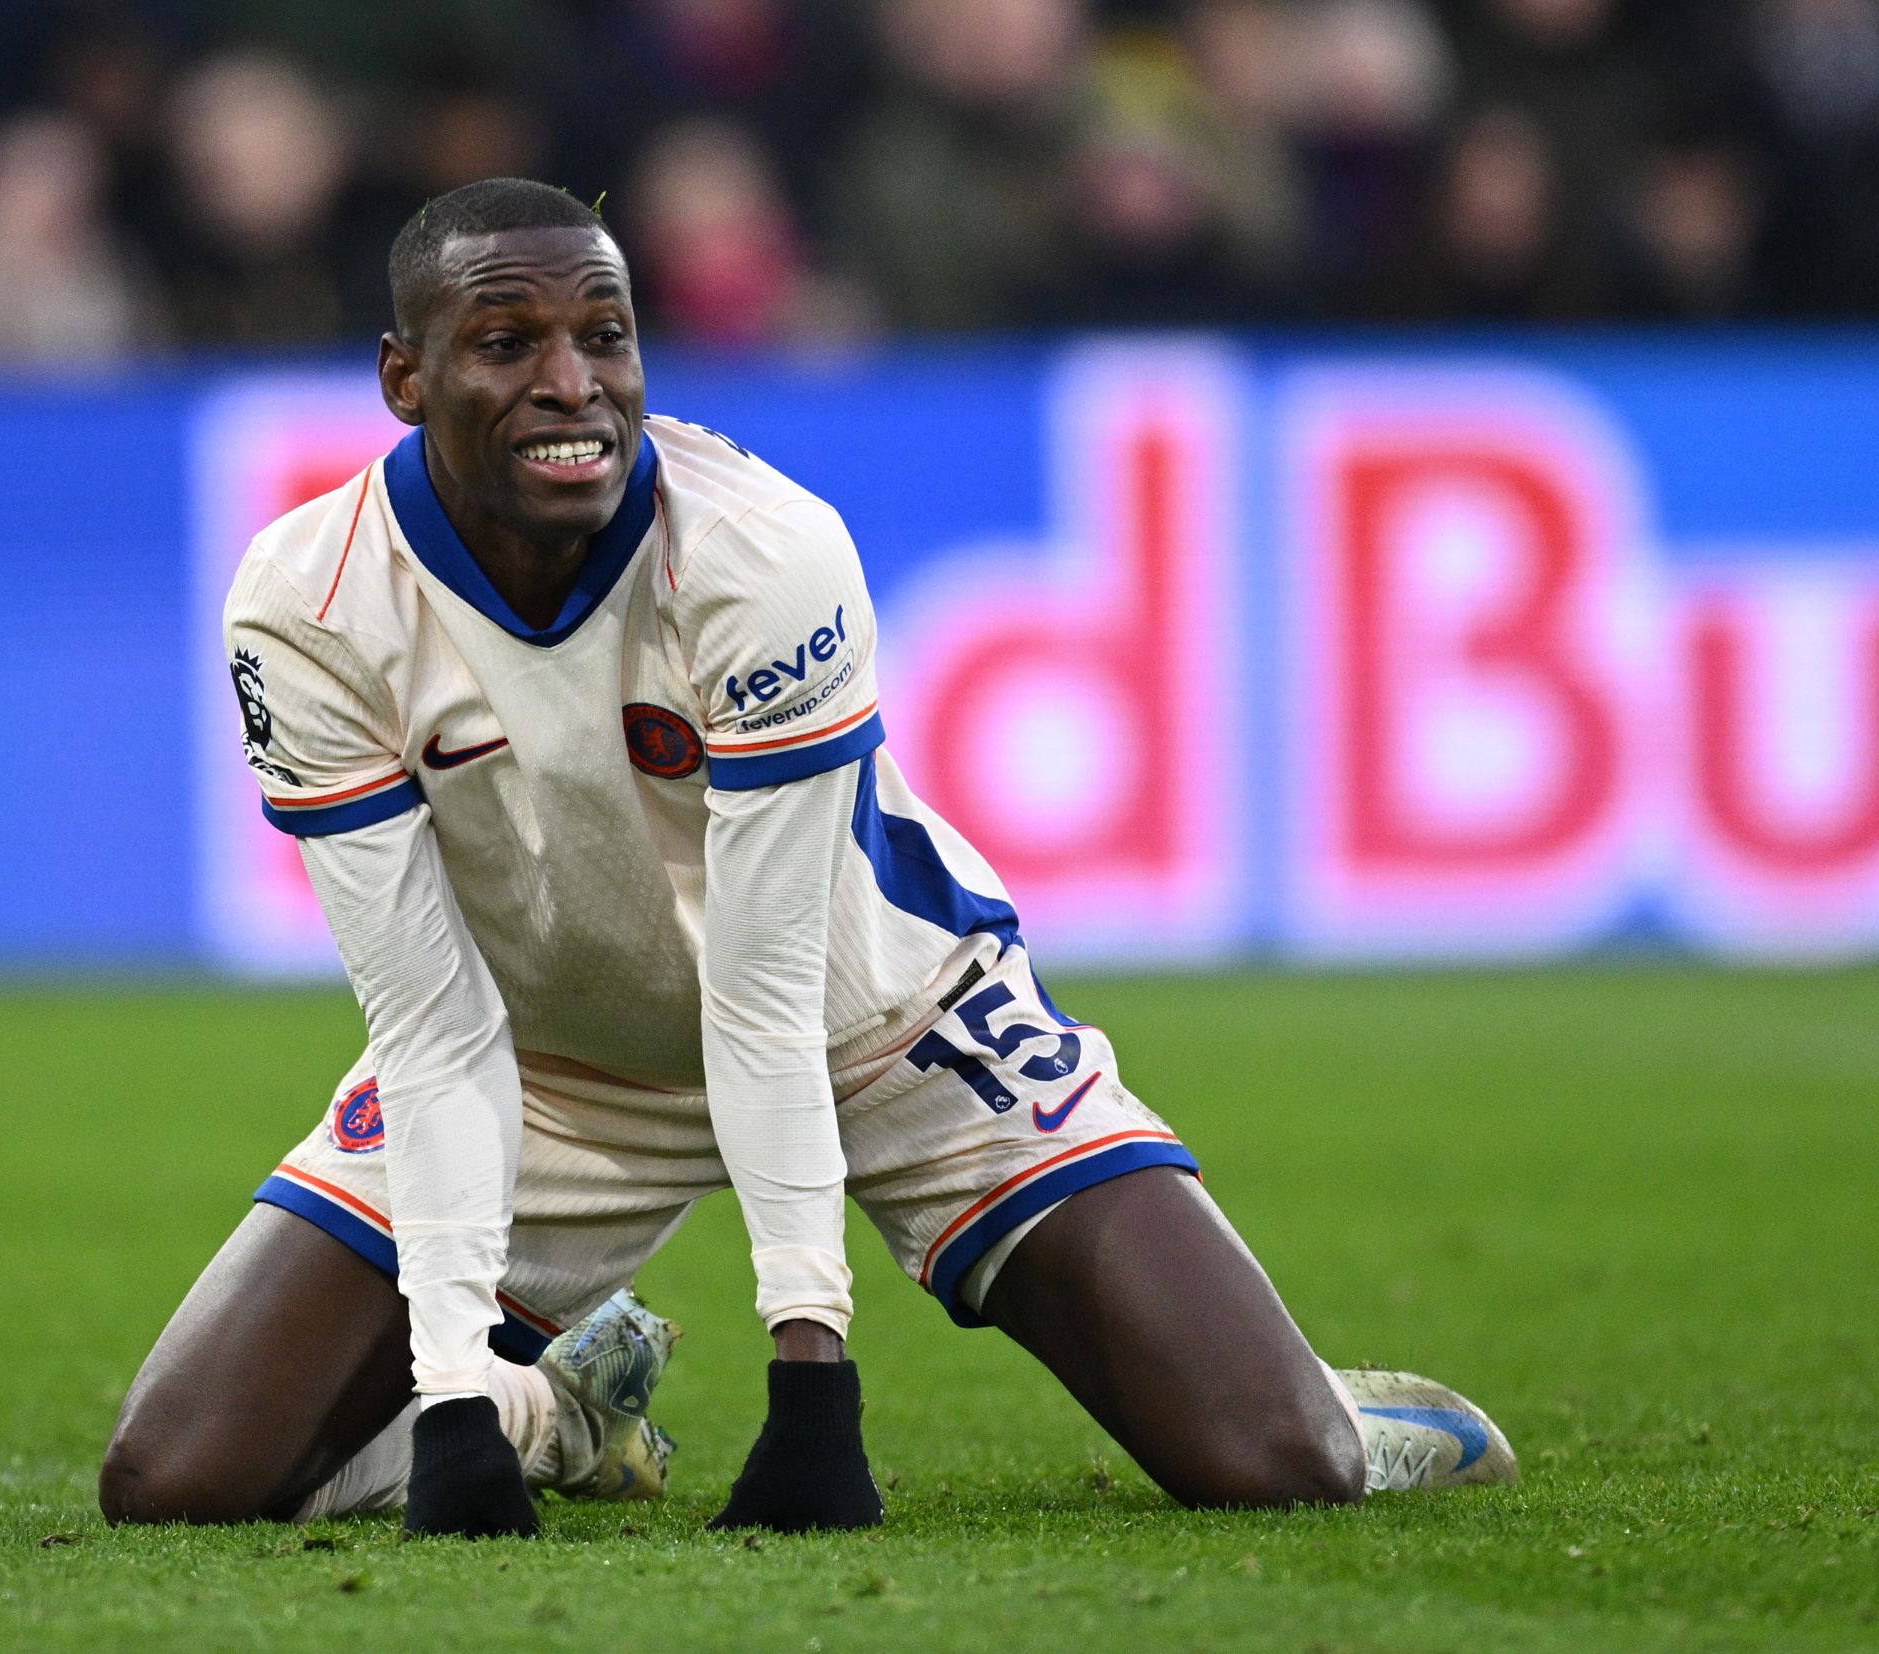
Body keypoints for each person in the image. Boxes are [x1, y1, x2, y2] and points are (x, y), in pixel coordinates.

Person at [98, 176, 1518, 1537]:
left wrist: (809, 1365)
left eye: (605, 336)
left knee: (1274, 1462)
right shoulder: (307, 601)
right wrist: (467, 1399)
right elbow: (425, 1016)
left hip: (882, 1023)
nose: (571, 383)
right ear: (405, 380)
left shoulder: (759, 555)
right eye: (505, 343)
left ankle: (1353, 1410)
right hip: (549, 1064)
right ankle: (566, 1413)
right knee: (178, 1471)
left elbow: (766, 992)